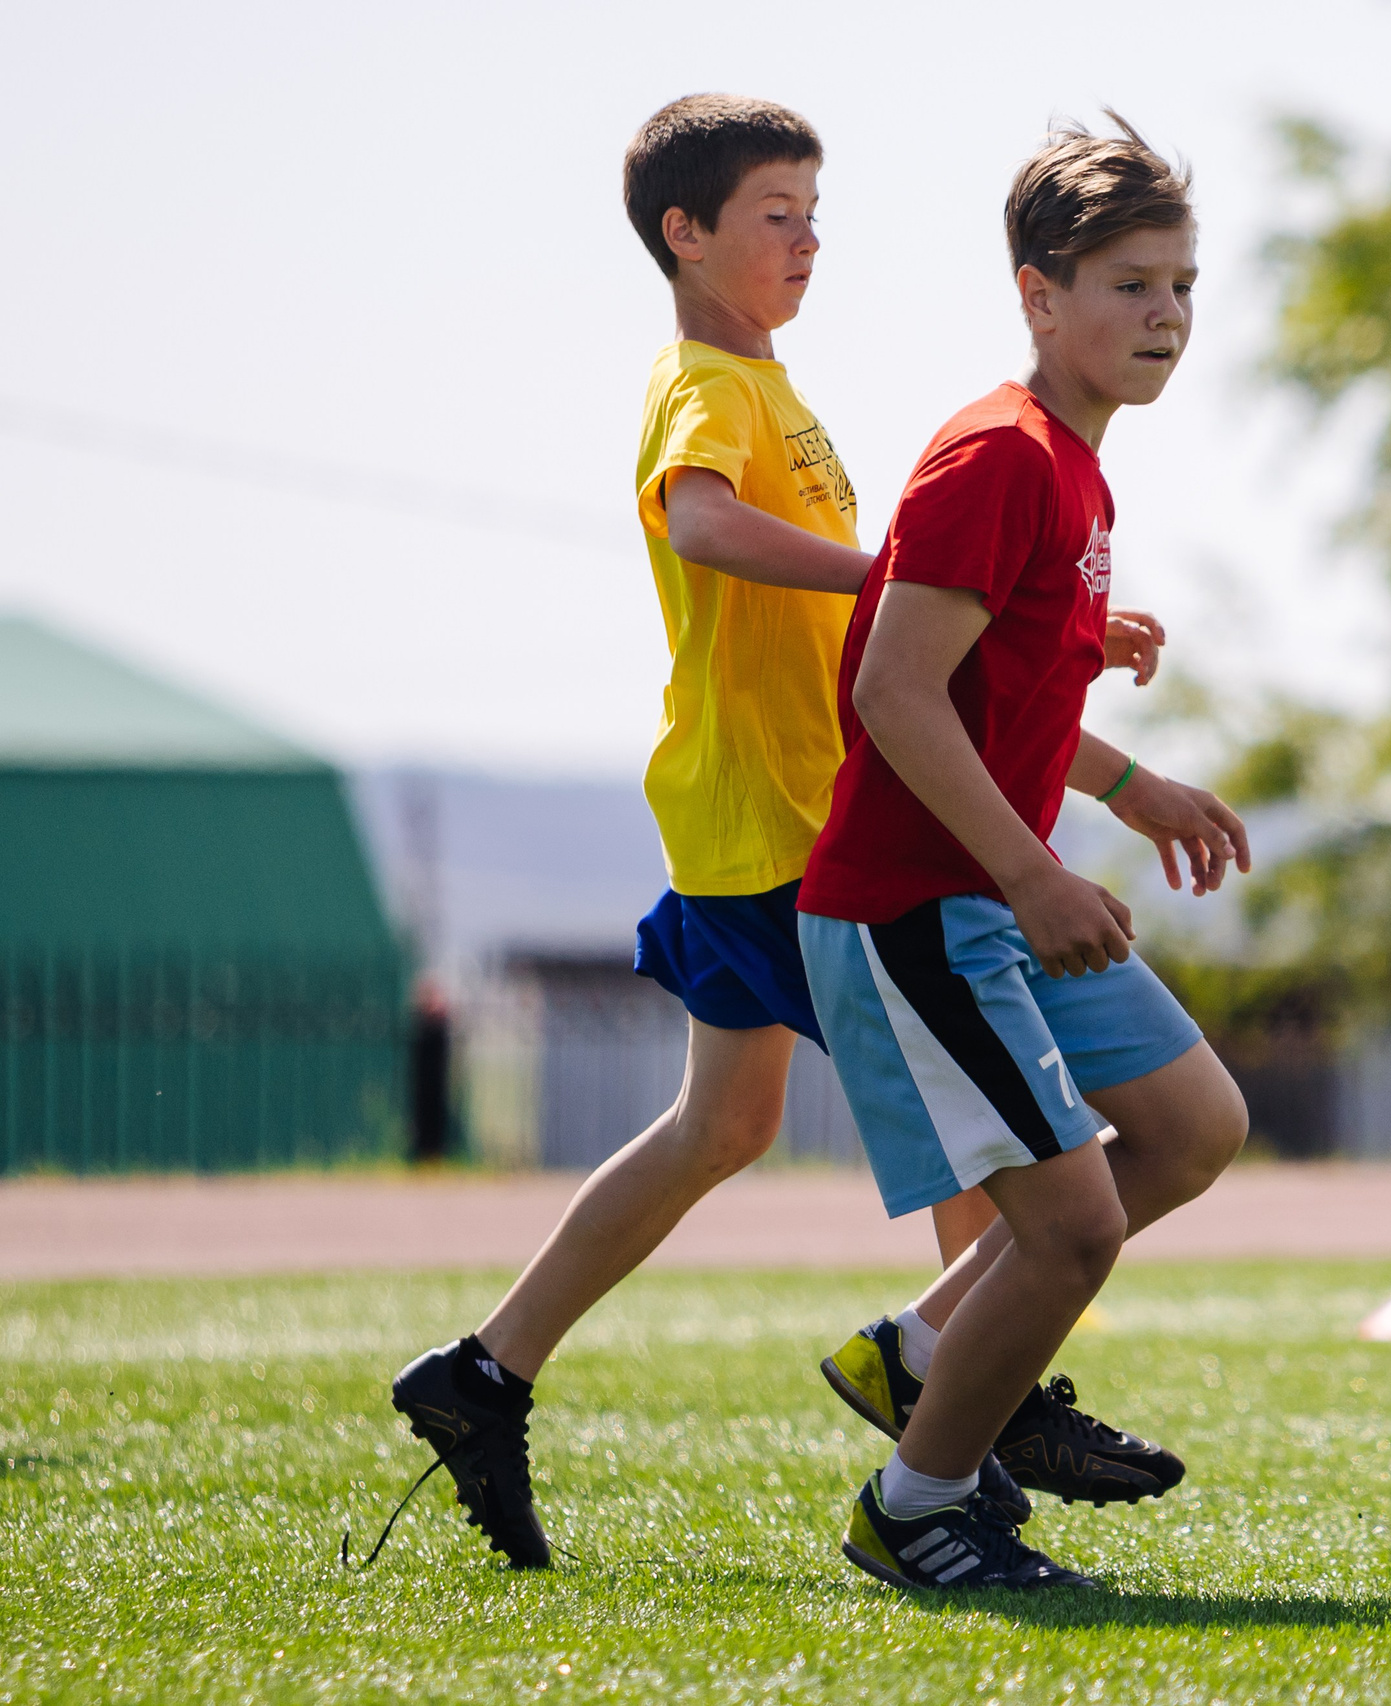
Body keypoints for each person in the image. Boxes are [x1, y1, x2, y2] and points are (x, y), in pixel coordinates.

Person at [380, 94, 1168, 1571]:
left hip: (760, 815)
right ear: (685, 235)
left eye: (816, 211)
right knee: (971, 1114)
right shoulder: (707, 388)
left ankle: (482, 1373)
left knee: (725, 1126)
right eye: (776, 214)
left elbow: (933, 659)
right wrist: (903, 565)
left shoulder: (775, 388)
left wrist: (1040, 651)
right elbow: (704, 527)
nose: (809, 240)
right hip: (788, 825)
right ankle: (980, 1412)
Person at [796, 113, 1252, 1593]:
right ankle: (916, 1505)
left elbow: (1002, 693)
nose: (1165, 314)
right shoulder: (999, 453)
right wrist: (1034, 872)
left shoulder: (1075, 467)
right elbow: (891, 692)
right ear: (1037, 295)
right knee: (1070, 1227)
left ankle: (919, 1351)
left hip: (992, 896)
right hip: (919, 907)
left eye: (1182, 284)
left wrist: (1128, 786)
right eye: (1130, 284)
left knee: (1192, 1126)